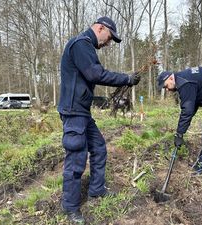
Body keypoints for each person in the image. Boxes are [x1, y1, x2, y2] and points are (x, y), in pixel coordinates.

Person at [57, 16, 140, 224]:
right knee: (76, 157)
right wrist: (126, 79)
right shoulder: (81, 44)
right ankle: (70, 207)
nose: (108, 42)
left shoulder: (86, 47)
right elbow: (96, 74)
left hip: (83, 112)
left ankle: (96, 190)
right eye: (109, 37)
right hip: (74, 112)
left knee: (99, 147)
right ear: (100, 28)